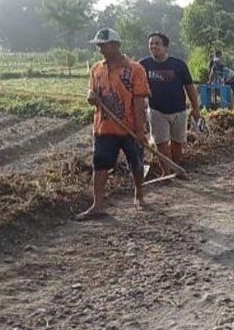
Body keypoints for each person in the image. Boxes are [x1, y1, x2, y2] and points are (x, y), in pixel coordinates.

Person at [77, 28, 151, 221]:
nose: (100, 49)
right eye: (99, 45)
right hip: (104, 127)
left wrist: (140, 130)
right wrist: (91, 98)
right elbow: (92, 94)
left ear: (116, 45)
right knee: (100, 164)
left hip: (130, 128)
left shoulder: (135, 69)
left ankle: (139, 195)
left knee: (136, 163)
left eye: (104, 45)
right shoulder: (97, 69)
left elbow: (139, 102)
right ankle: (97, 205)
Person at [140, 32, 201, 174]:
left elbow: (190, 88)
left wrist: (195, 108)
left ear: (165, 47)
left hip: (179, 110)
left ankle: (175, 168)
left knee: (177, 143)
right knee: (161, 143)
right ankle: (166, 172)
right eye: (151, 44)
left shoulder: (178, 65)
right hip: (156, 111)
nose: (153, 46)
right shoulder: (143, 66)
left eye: (157, 43)